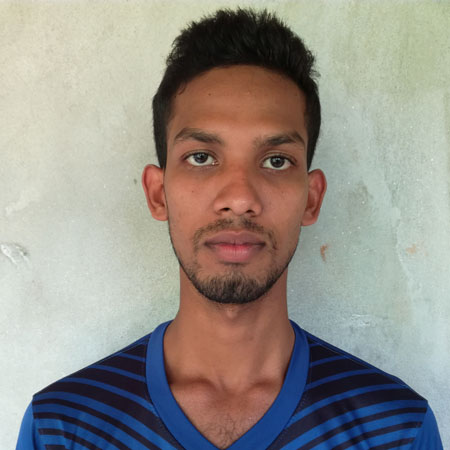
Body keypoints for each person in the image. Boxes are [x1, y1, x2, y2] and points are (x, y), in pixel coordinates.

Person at [16, 8, 442, 450]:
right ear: (158, 193)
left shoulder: (395, 430)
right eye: (201, 157)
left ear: (311, 198)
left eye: (276, 160)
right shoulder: (64, 428)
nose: (239, 198)